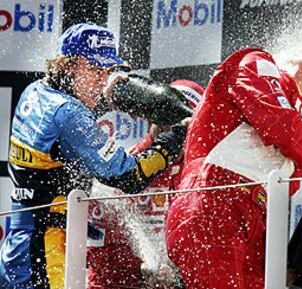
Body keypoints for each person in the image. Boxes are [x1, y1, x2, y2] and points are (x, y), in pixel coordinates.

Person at [165, 32, 302, 289]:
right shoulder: (256, 62)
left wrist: (292, 263)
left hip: (253, 232)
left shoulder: (298, 151)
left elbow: (289, 134)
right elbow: (280, 125)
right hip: (209, 208)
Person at [0, 23, 187, 289]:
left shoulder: (37, 91)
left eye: (108, 71)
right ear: (69, 65)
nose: (103, 81)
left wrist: (120, 96)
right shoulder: (69, 114)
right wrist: (173, 138)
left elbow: (72, 122)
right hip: (47, 256)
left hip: (19, 245)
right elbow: (129, 176)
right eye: (95, 70)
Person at [87, 79, 204, 289]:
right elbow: (97, 250)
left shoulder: (207, 175)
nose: (170, 127)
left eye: (179, 119)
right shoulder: (125, 169)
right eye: (162, 116)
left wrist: (177, 276)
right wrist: (141, 271)